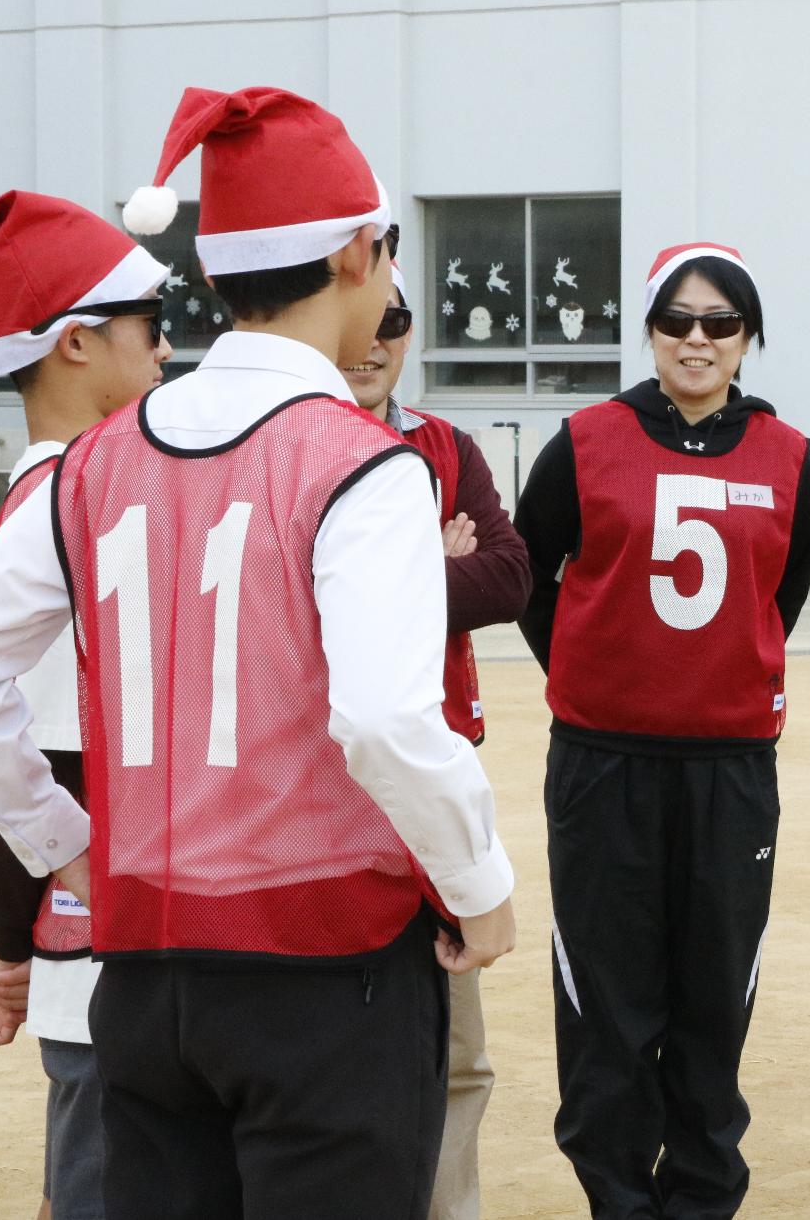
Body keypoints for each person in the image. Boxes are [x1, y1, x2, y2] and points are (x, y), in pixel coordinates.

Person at [0, 85, 517, 1219]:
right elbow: (387, 718)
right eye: (386, 251)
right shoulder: (357, 461)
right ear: (353, 253)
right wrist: (477, 884)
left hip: (144, 979)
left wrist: (61, 843)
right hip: (330, 974)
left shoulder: (96, 463)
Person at [514, 242, 810, 1219]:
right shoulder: (586, 439)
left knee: (710, 1007)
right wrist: (595, 674)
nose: (697, 339)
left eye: (720, 323)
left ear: (747, 339)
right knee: (607, 1014)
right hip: (605, 766)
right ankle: (618, 1202)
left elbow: (778, 592)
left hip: (729, 773)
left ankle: (698, 1203)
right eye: (678, 320)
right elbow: (530, 576)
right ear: (648, 329)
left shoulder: (787, 456)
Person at [0, 190, 173, 1220]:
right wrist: (63, 856)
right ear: (77, 344)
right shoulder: (83, 496)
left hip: (84, 943)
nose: (165, 356)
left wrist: (16, 929)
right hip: (108, 947)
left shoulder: (61, 488)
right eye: (150, 331)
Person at [343, 264, 532, 1220]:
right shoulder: (290, 443)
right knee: (335, 1047)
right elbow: (293, 602)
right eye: (365, 318)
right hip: (321, 787)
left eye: (398, 321)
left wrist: (402, 582)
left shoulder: (446, 444)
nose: (377, 340)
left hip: (435, 776)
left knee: (458, 1053)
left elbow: (508, 577)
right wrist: (429, 560)